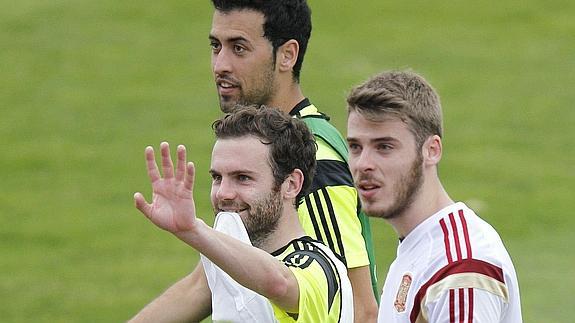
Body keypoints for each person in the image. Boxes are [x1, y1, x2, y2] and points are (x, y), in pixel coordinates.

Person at [130, 1, 378, 321]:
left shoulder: (314, 162)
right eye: (216, 46)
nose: (220, 64)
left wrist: (192, 229)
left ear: (287, 55)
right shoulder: (251, 149)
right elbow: (201, 287)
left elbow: (358, 307)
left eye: (239, 48)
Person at [133, 107, 353, 322]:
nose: (224, 194)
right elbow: (194, 289)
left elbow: (278, 284)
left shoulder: (319, 266)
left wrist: (193, 230)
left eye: (243, 178)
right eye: (218, 177)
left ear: (291, 185)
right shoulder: (231, 258)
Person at [345, 70, 523, 322]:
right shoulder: (423, 247)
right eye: (355, 147)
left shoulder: (459, 269)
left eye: (384, 147)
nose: (363, 164)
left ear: (431, 150)